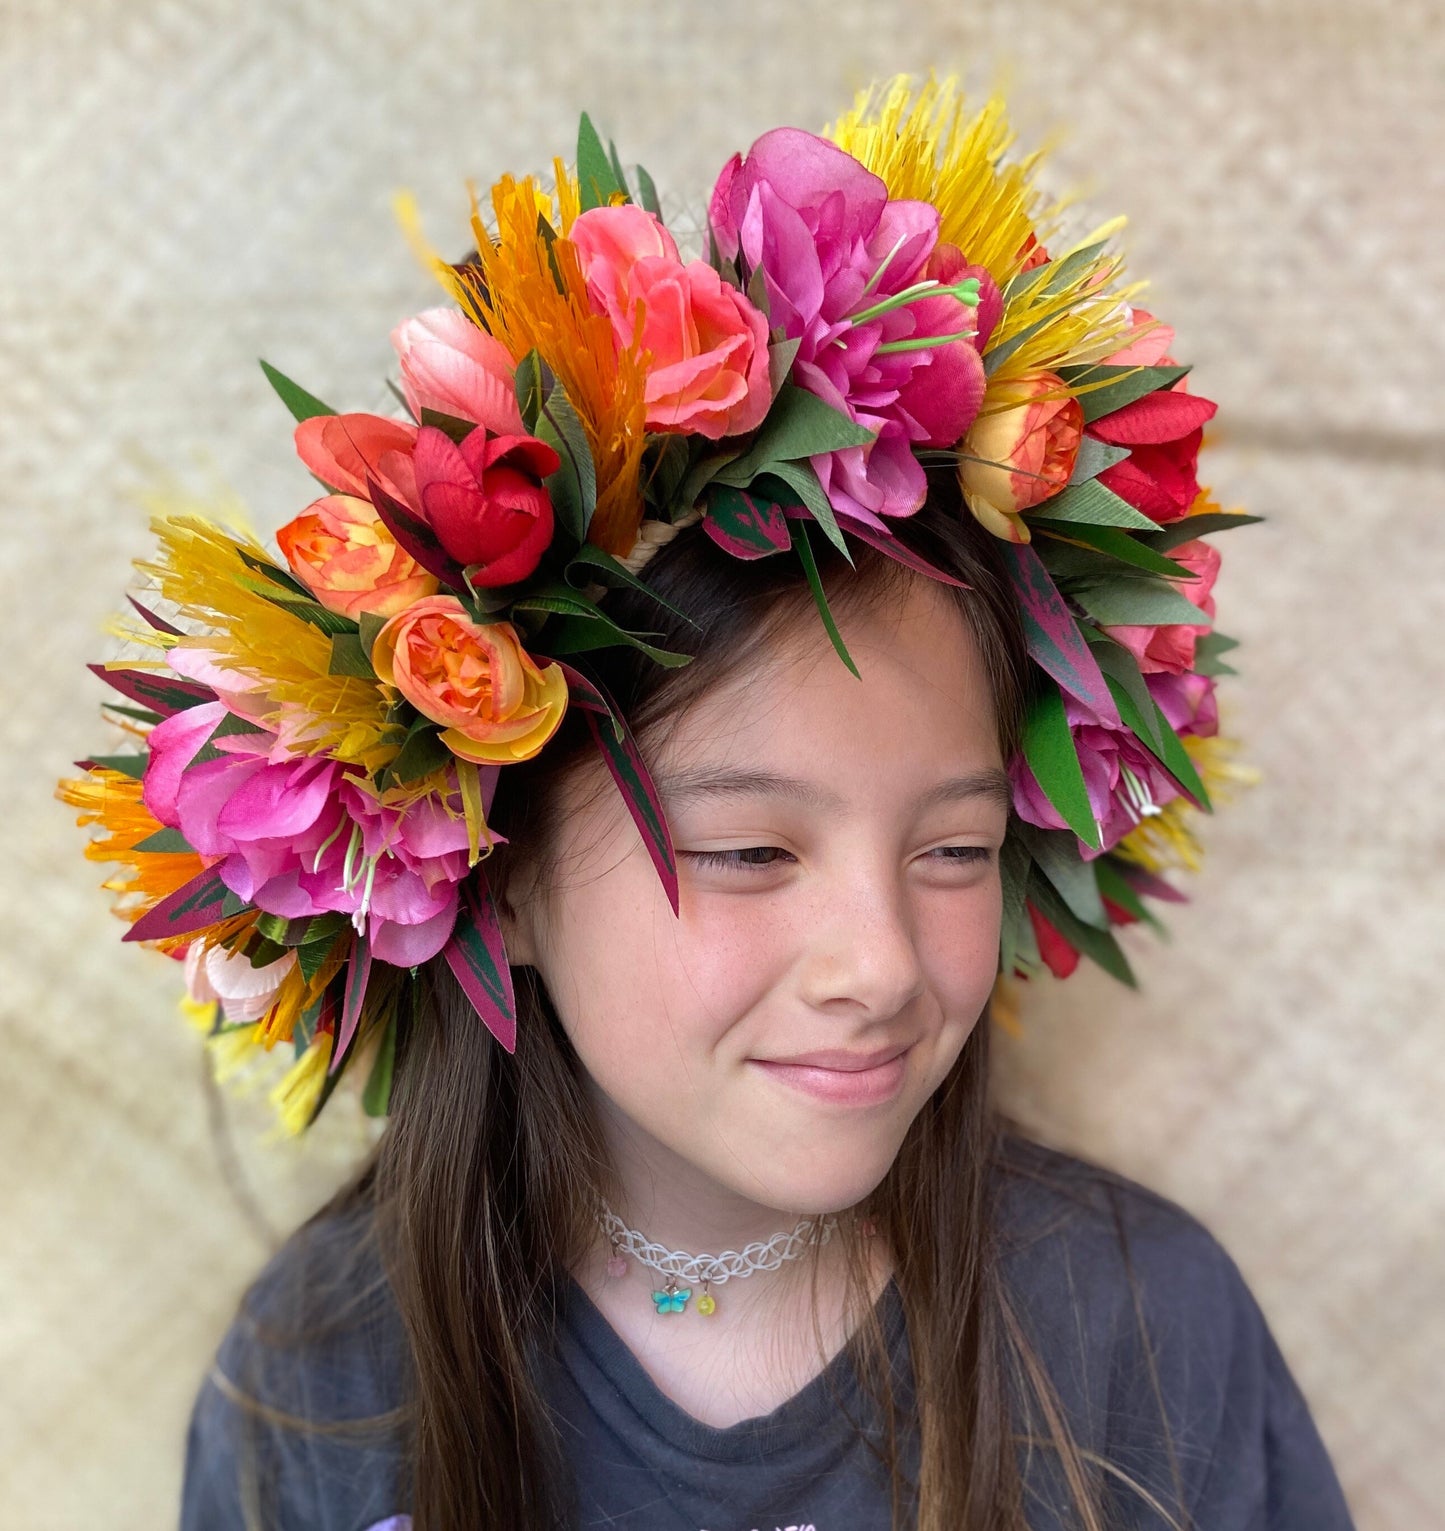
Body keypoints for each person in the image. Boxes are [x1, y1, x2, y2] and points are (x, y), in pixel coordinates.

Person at [58, 76, 1358, 1531]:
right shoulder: (322, 1373)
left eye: (954, 847)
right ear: (494, 877)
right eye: (748, 849)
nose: (877, 964)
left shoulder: (1138, 1330)